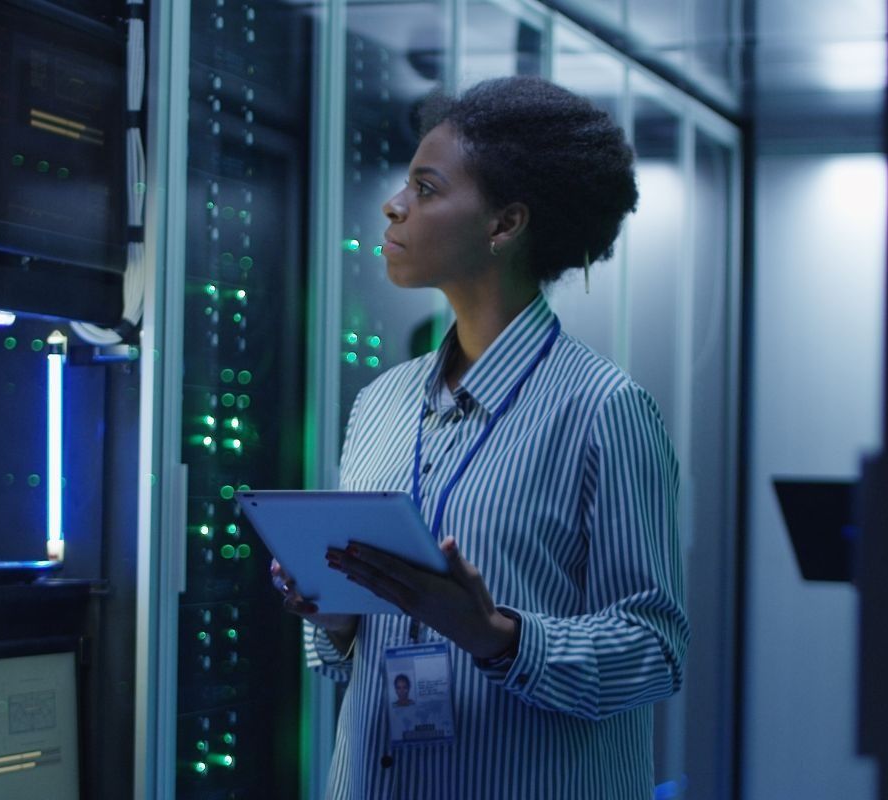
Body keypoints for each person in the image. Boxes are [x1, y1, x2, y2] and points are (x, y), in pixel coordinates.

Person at [270, 75, 689, 799]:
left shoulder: (604, 410)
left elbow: (656, 650)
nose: (394, 204)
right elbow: (345, 655)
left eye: (426, 188)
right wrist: (334, 617)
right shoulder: (380, 403)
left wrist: (496, 635)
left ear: (505, 224)